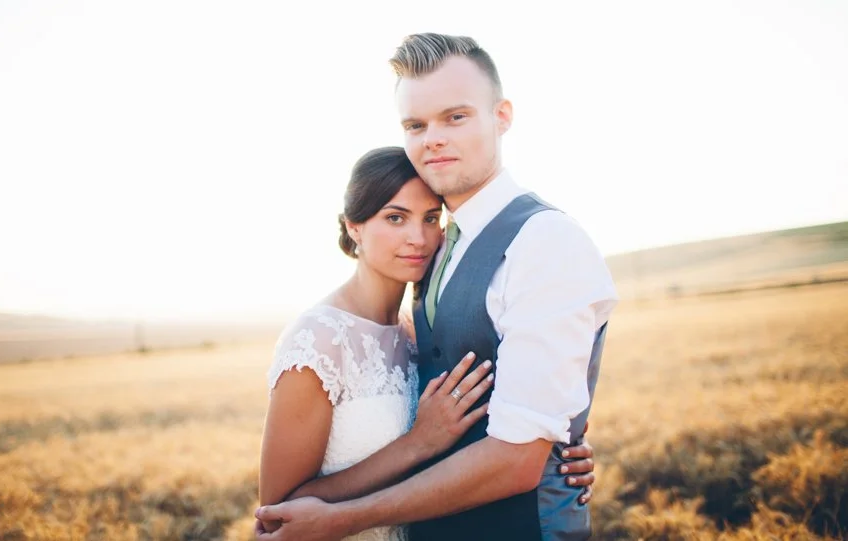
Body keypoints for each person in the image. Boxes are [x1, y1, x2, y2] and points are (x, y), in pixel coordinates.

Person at [254, 33, 618, 540]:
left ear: (503, 116)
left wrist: (555, 451)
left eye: (456, 117)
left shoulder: (545, 241)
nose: (433, 139)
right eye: (415, 125)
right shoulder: (440, 252)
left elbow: (518, 459)